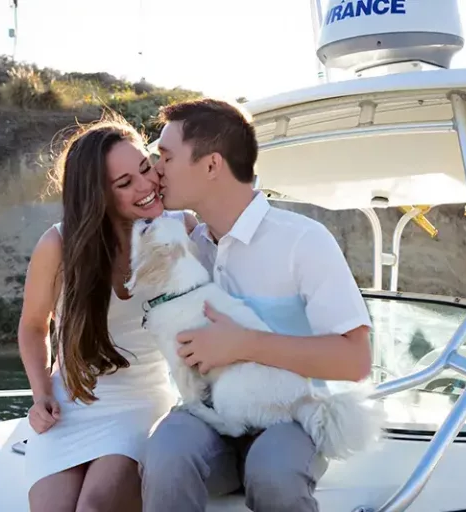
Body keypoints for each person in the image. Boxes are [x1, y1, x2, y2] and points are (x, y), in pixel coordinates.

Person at [141, 98, 373, 512]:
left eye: (166, 157)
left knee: (274, 473)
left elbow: (355, 360)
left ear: (211, 165)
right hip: (210, 415)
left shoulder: (303, 240)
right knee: (165, 456)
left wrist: (244, 345)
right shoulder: (187, 247)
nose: (156, 169)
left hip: (290, 417)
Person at [18, 115, 196, 512]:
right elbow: (33, 326)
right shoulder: (58, 245)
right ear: (97, 195)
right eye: (125, 183)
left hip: (140, 403)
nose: (147, 186)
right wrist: (41, 394)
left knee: (94, 507)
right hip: (70, 405)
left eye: (145, 168)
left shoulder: (181, 228)